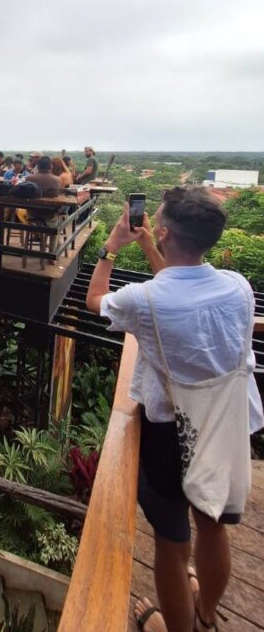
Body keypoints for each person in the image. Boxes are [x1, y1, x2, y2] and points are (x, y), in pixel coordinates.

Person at [85, 187, 263, 632]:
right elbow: (180, 286)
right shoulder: (238, 288)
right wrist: (151, 244)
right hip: (226, 425)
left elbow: (95, 300)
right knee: (213, 526)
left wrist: (111, 246)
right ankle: (206, 613)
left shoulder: (143, 300)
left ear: (164, 231)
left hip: (171, 433)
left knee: (171, 542)